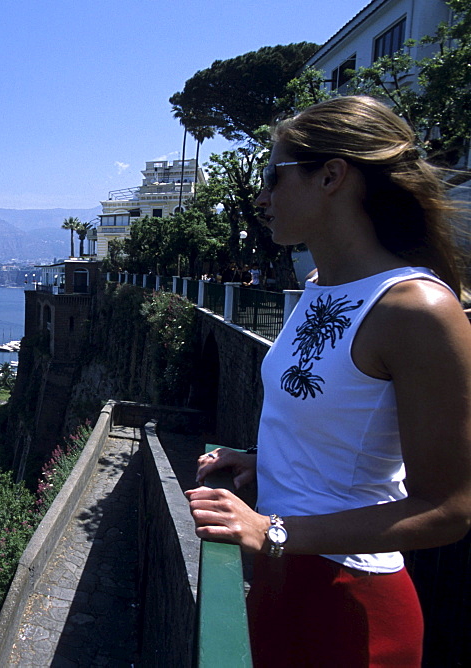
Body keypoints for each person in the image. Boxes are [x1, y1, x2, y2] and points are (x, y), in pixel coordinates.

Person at [186, 96, 471, 667]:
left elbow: (449, 509)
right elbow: (342, 428)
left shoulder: (415, 308)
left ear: (331, 177)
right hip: (283, 583)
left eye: (274, 176)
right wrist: (263, 462)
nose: (261, 197)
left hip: (352, 606)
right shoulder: (320, 287)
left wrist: (273, 531)